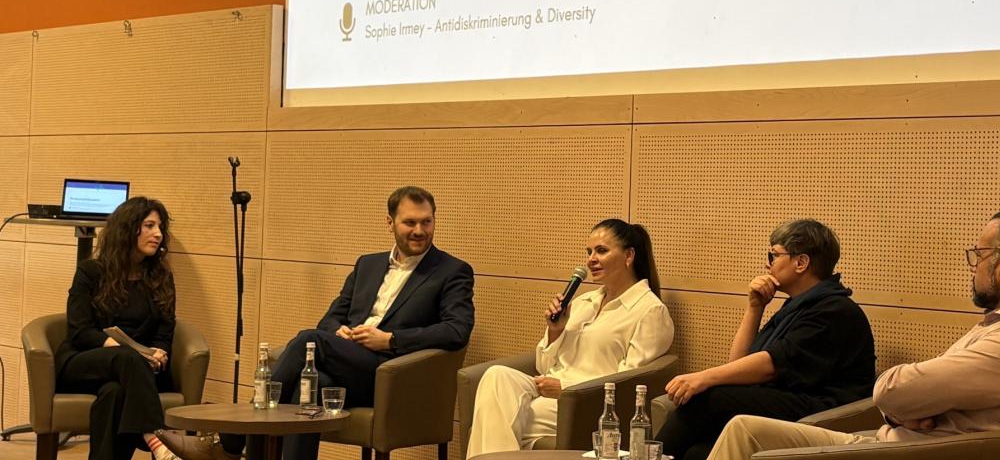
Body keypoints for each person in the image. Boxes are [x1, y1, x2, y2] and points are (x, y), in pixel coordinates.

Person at [704, 208, 1000, 460]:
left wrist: (907, 407)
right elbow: (921, 392)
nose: (974, 266)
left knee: (721, 411)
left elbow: (891, 389)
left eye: (979, 255)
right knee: (743, 429)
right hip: (896, 441)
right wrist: (914, 408)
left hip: (902, 452)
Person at [160, 186, 475, 460]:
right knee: (312, 384)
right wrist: (338, 331)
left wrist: (389, 339)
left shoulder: (451, 271)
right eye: (410, 222)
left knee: (309, 340)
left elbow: (456, 330)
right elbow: (330, 319)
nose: (419, 230)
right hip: (348, 363)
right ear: (390, 223)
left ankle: (228, 443)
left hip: (391, 375)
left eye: (426, 222)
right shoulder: (368, 264)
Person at [655, 219, 876, 460]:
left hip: (820, 412)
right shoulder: (797, 305)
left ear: (801, 262)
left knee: (709, 398)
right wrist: (755, 307)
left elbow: (772, 365)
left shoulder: (833, 310)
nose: (767, 264)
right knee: (696, 453)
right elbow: (738, 363)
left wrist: (703, 378)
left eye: (774, 255)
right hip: (790, 399)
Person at [465, 219, 675, 458]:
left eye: (601, 251)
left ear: (629, 256)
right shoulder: (583, 302)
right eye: (589, 252)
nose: (591, 259)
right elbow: (544, 366)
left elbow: (627, 384)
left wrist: (565, 389)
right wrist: (555, 330)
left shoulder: (650, 311)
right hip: (546, 391)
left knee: (494, 418)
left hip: (583, 403)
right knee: (496, 376)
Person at [55, 197, 182, 460]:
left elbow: (165, 327)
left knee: (114, 393)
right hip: (84, 361)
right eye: (149, 226)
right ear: (127, 229)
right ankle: (155, 438)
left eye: (160, 227)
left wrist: (159, 351)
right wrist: (122, 349)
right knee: (127, 357)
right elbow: (79, 331)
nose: (158, 234)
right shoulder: (90, 272)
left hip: (137, 369)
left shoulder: (160, 276)